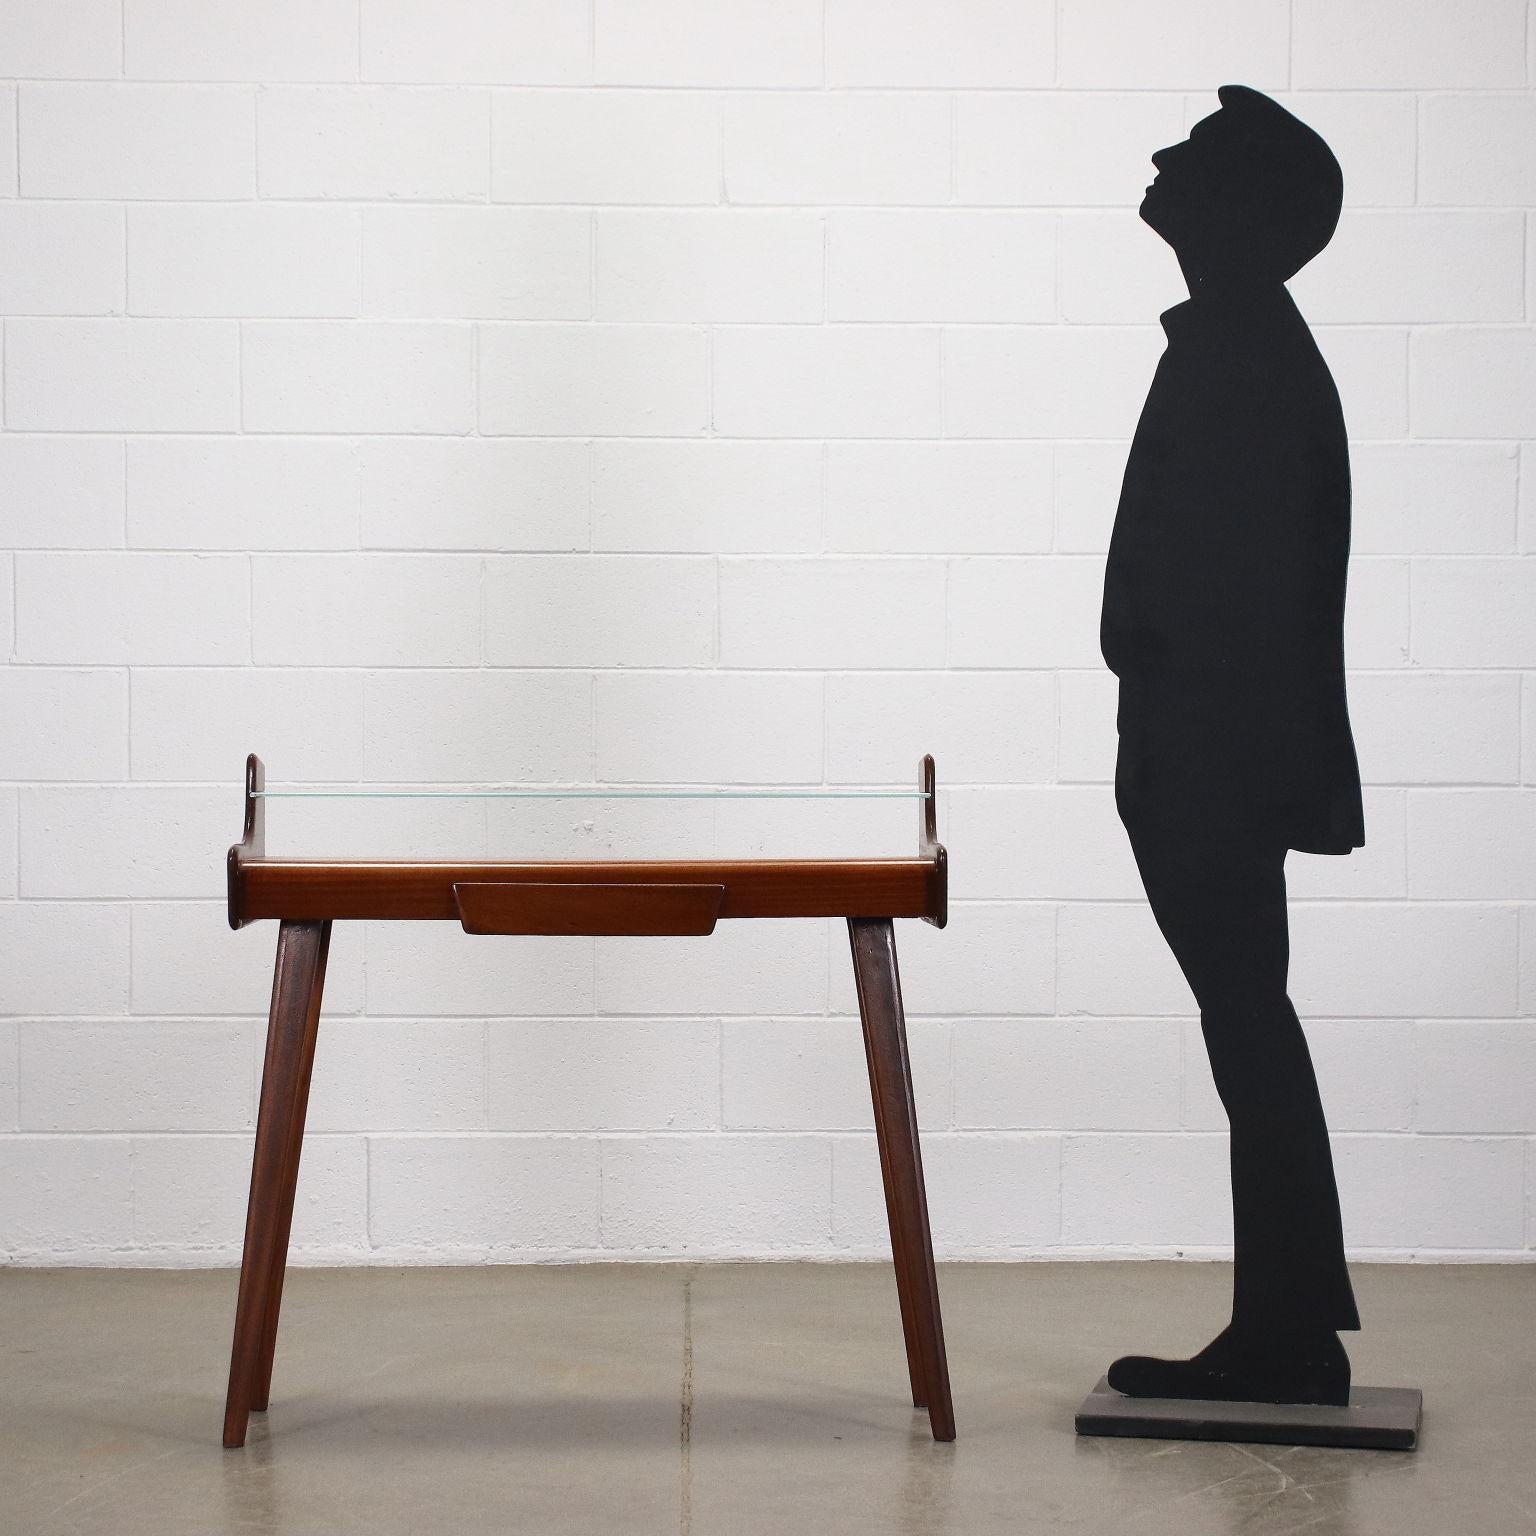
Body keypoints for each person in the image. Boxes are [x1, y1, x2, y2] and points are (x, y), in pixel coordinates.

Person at [1099, 85, 1363, 1405]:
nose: (1162, 159)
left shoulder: (1244, 355)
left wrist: (1176, 746)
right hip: (1206, 752)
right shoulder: (1242, 344)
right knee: (1249, 1017)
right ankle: (1291, 1322)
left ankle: (1291, 1331)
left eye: (1196, 154)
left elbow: (1238, 595)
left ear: (1247, 209)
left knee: (1248, 1018)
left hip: (1213, 758)